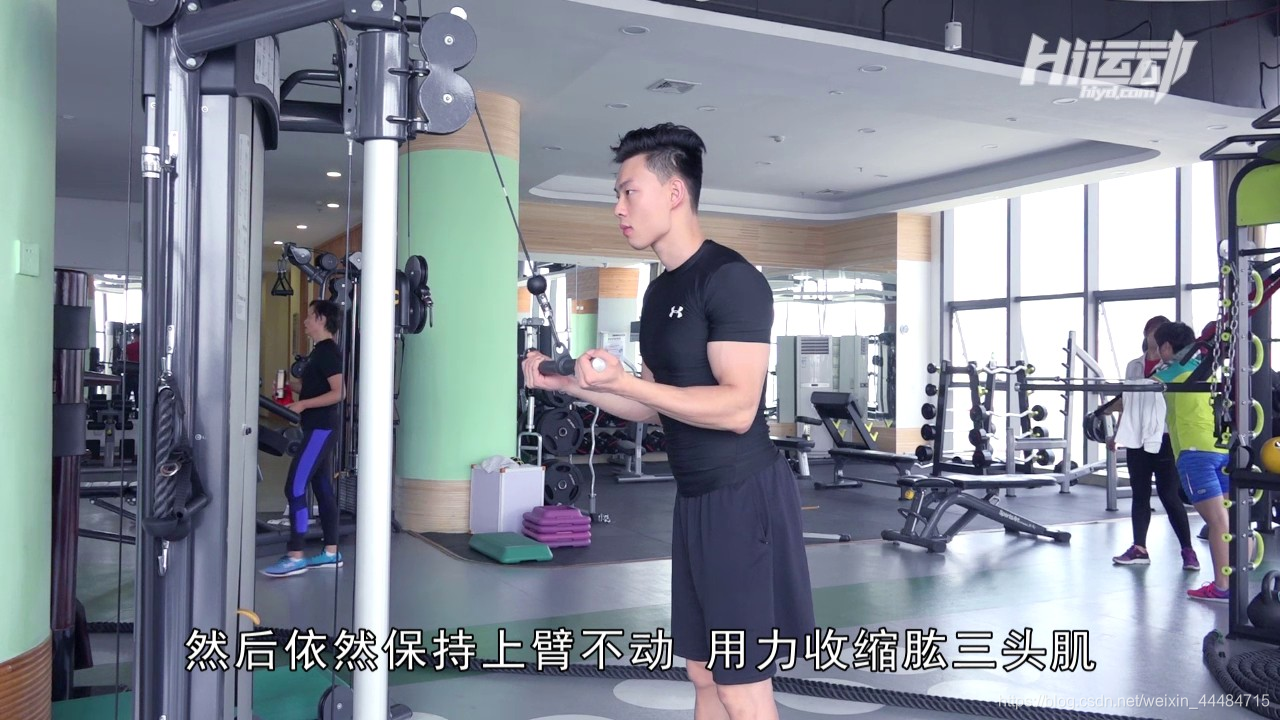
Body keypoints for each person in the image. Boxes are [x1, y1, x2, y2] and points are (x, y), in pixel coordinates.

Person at [521, 123, 815, 719]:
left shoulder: (731, 279)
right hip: (695, 498)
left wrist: (624, 380)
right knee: (703, 673)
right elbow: (656, 404)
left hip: (742, 496)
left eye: (629, 192)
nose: (618, 208)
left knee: (741, 684)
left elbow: (737, 408)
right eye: (618, 195)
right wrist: (573, 385)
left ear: (674, 192)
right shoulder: (658, 296)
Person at [1106, 315, 1197, 570]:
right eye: (1152, 333)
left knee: (1169, 495)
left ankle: (1188, 551)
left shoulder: (1175, 367)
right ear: (1146, 335)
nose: (1156, 338)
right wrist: (1119, 433)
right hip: (1137, 437)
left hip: (1165, 436)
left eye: (1161, 335)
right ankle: (1139, 548)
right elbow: (1129, 400)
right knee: (1140, 494)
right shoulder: (1134, 366)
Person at [262, 299, 345, 578]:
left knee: (295, 487)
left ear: (321, 319)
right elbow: (312, 388)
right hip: (316, 426)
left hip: (321, 428)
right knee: (322, 487)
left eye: (310, 316)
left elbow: (339, 392)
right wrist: (289, 386)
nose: (306, 322)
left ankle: (295, 555)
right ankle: (331, 553)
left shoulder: (328, 352)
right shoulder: (318, 352)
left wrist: (303, 405)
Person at [1151, 320, 1231, 601]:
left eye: (1157, 348)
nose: (1157, 353)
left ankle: (1222, 587)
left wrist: (1102, 410)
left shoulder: (1170, 372)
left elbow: (1134, 398)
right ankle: (1235, 583)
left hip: (1194, 453)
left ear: (1167, 347)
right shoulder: (1204, 367)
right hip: (1220, 448)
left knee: (1217, 521)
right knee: (1231, 520)